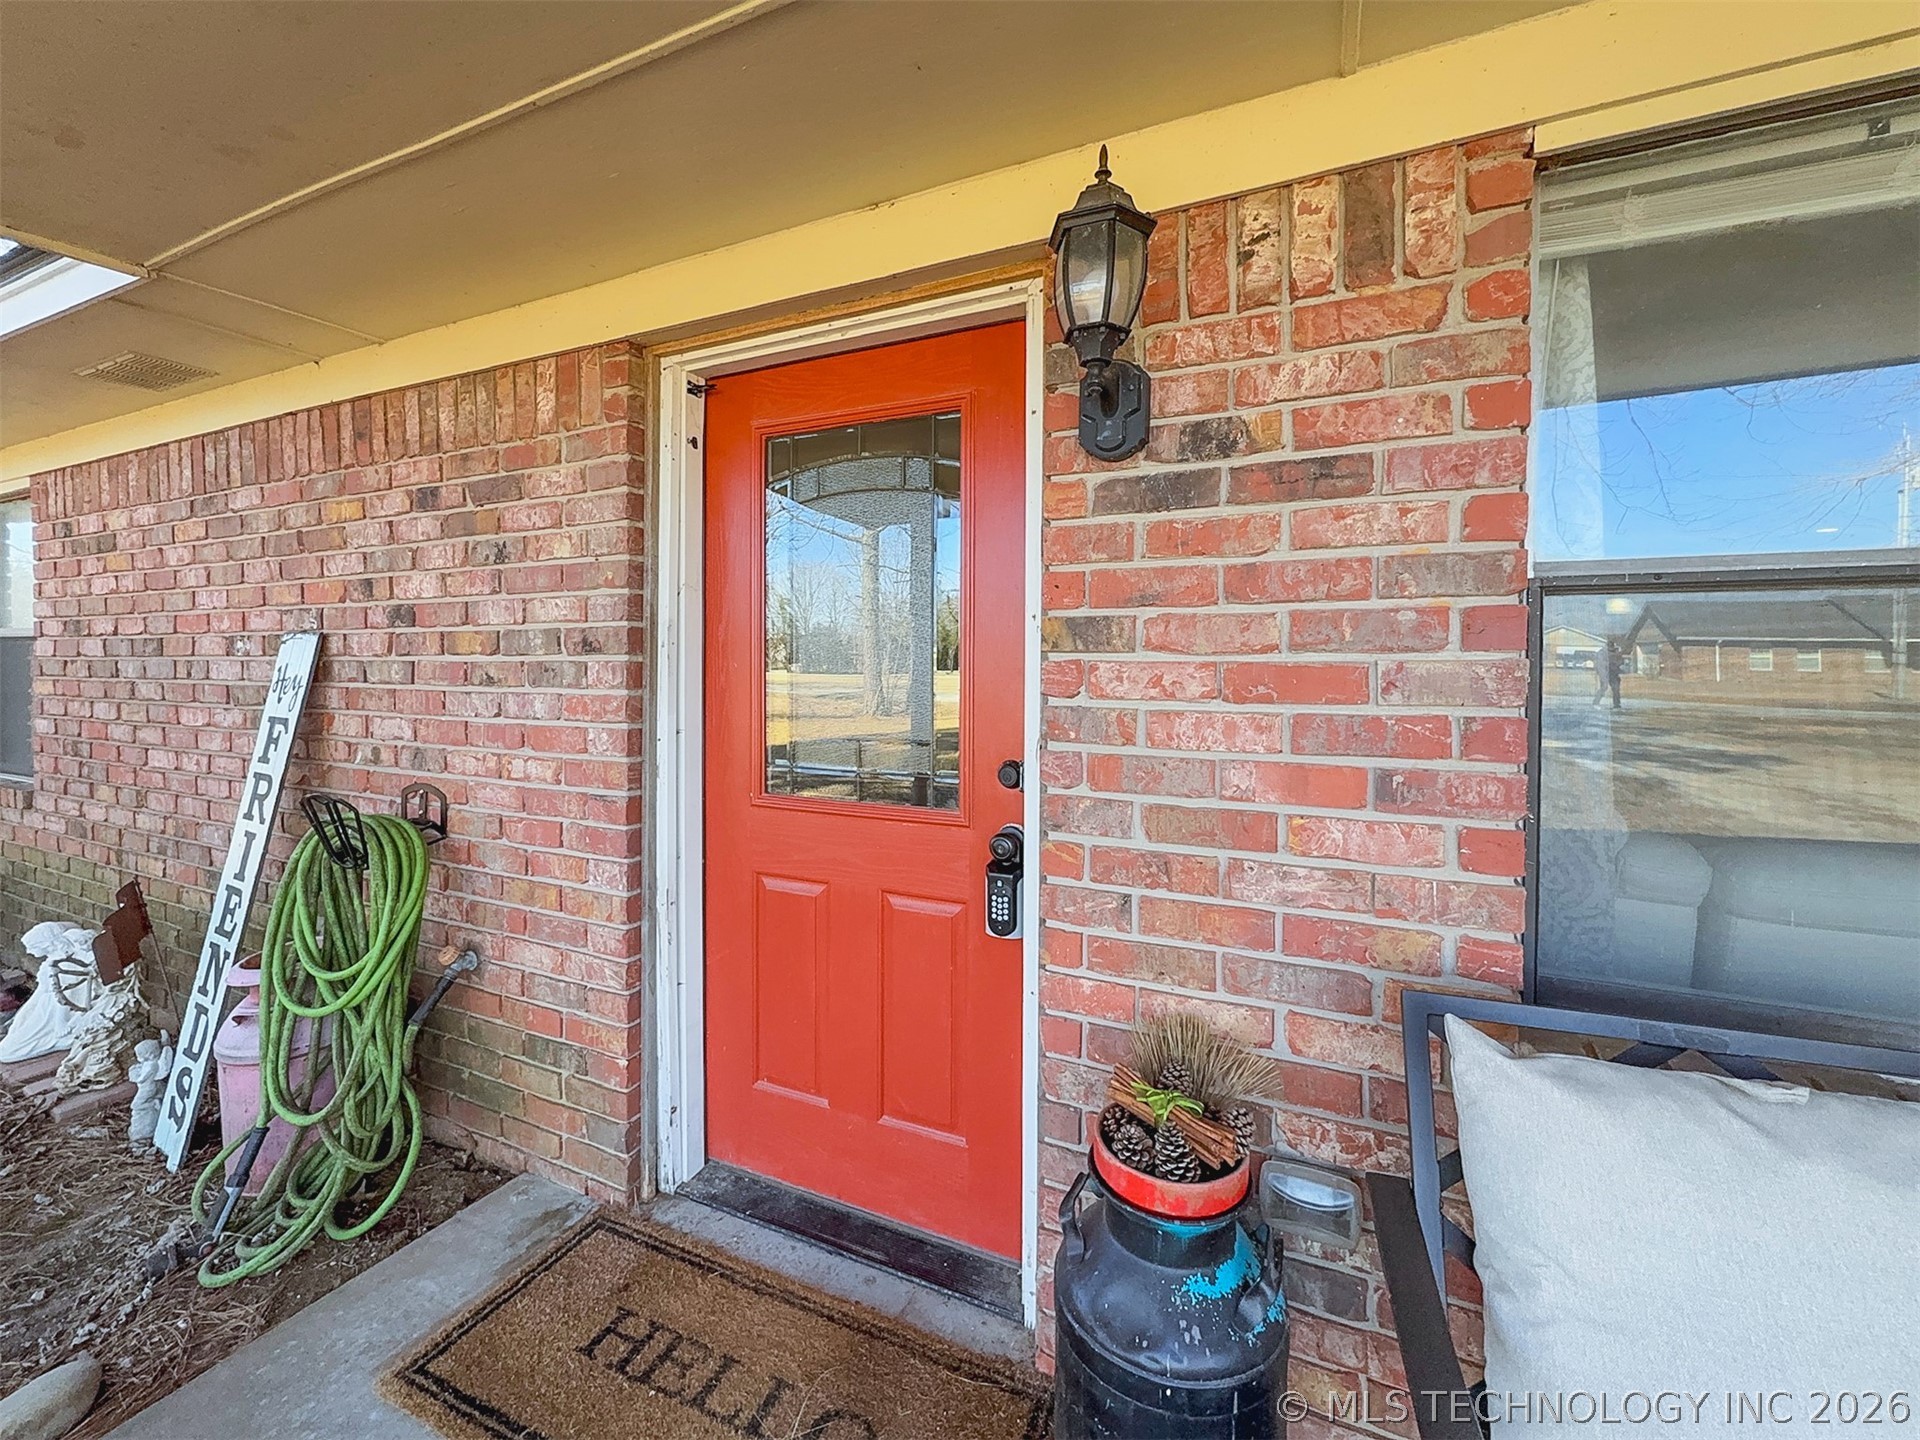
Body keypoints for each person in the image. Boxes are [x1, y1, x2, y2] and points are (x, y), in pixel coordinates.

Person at [1593, 639, 1625, 710]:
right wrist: (1602, 674)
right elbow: (1600, 664)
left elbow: (1620, 662)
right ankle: (1596, 702)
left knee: (1616, 688)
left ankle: (1617, 704)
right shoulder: (1602, 653)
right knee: (1604, 687)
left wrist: (1618, 666)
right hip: (1605, 672)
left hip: (1613, 673)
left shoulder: (1617, 652)